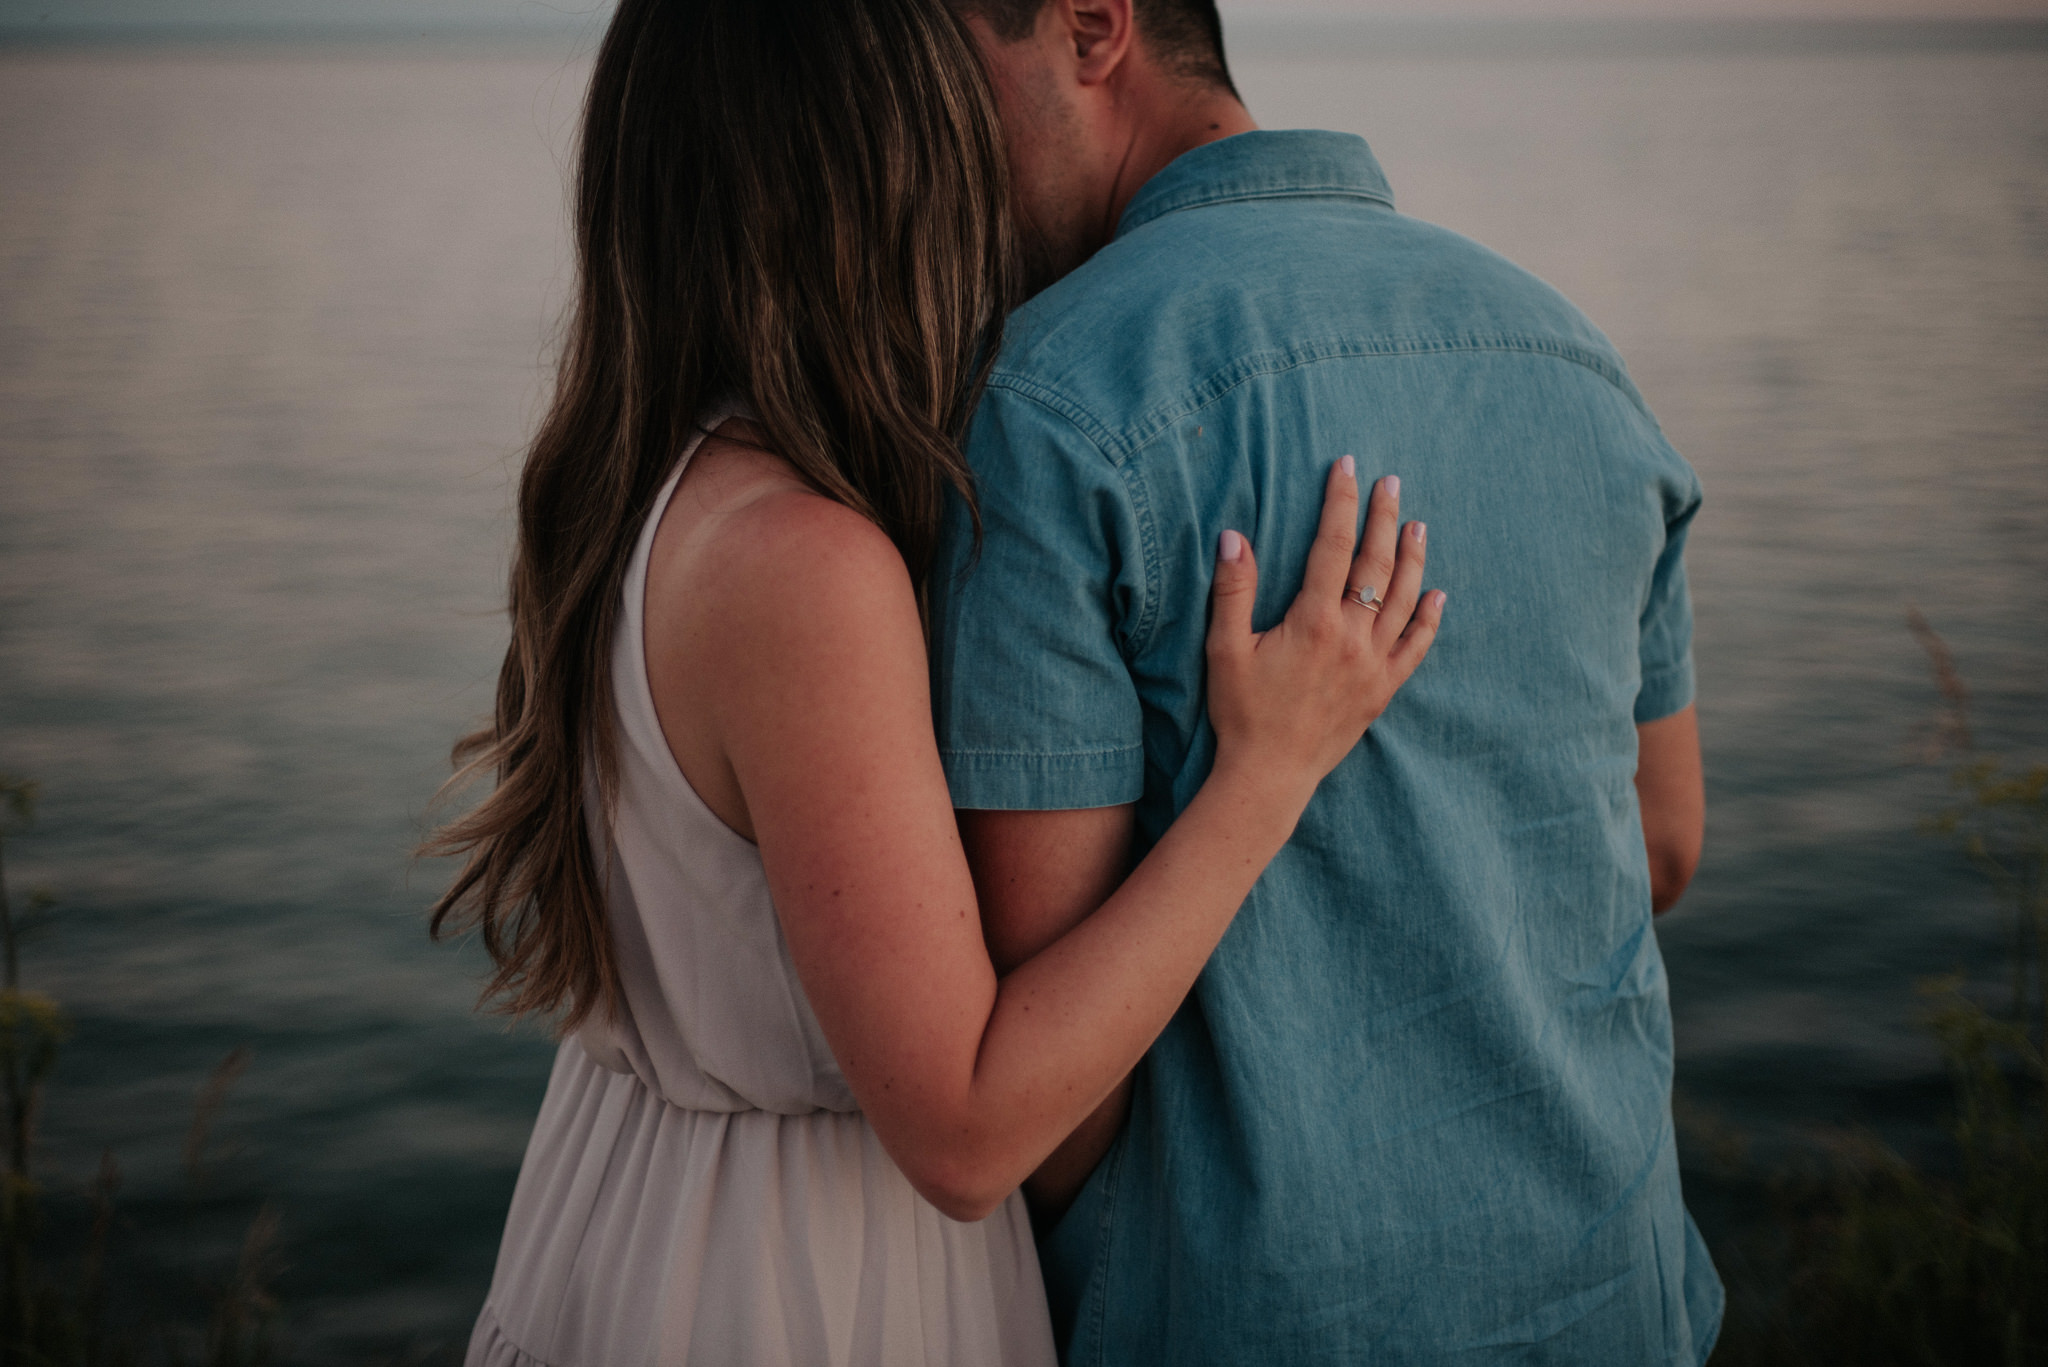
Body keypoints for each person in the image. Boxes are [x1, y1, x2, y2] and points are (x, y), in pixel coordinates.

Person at [426, 1, 1443, 1363]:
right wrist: (1268, 773)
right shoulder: (803, 564)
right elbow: (965, 1125)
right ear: (869, 174)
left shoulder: (654, 492)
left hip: (636, 1205)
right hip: (803, 1284)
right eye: (941, 133)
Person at [929, 0, 1721, 1363]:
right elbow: (1664, 841)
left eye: (941, 71)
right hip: (1614, 1295)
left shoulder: (1045, 408)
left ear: (1093, 26)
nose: (919, 139)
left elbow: (1059, 1122)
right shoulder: (1579, 357)